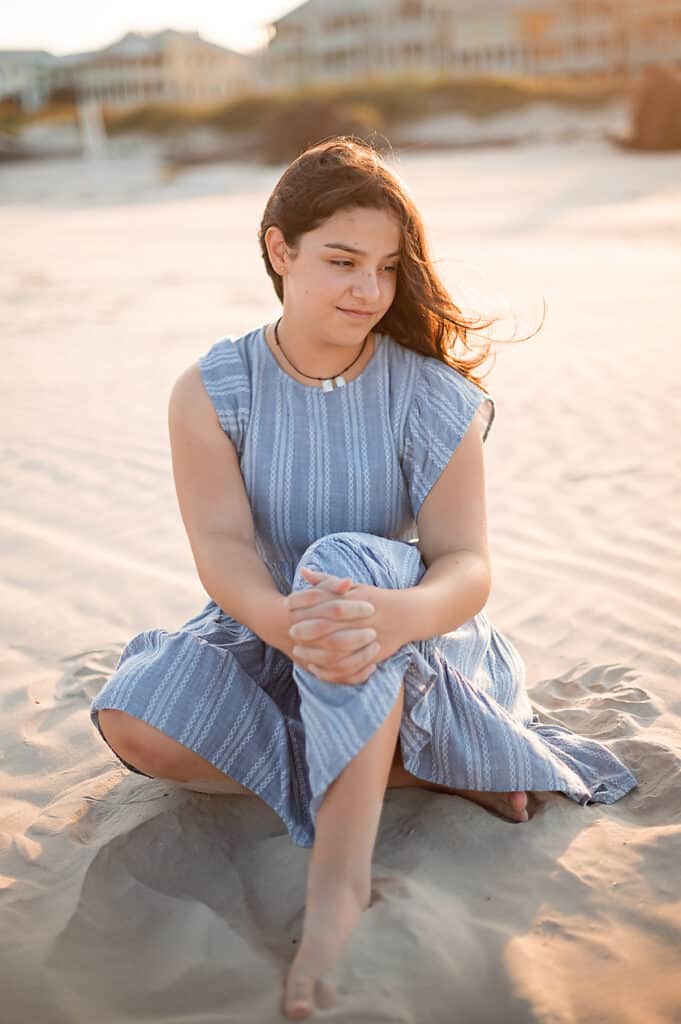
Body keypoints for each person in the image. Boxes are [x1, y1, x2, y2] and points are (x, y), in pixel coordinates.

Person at [89, 136, 638, 1020]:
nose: (367, 291)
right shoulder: (213, 388)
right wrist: (281, 623)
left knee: (342, 566)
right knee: (133, 716)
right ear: (279, 251)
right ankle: (422, 767)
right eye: (342, 262)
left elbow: (466, 565)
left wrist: (392, 615)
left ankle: (336, 894)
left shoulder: (427, 393)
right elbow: (223, 548)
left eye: (385, 269)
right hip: (274, 627)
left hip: (410, 639)